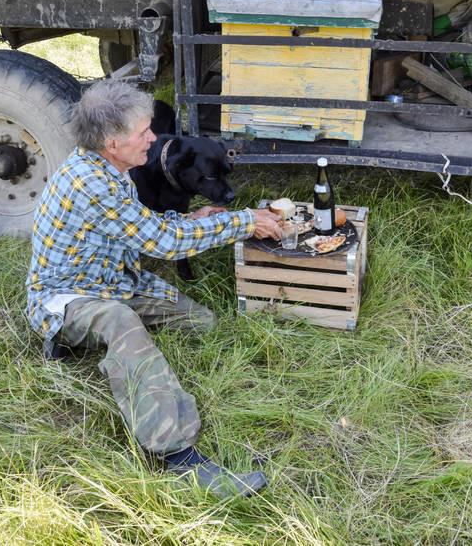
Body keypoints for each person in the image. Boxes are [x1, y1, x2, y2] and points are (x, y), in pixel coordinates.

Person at [25, 79, 284, 499]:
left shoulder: (109, 167)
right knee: (121, 322)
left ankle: (75, 345)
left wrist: (200, 219)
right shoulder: (91, 184)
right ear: (112, 142)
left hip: (113, 279)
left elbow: (151, 226)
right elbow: (162, 243)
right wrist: (244, 221)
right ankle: (178, 455)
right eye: (143, 132)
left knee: (199, 321)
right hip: (69, 296)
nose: (152, 137)